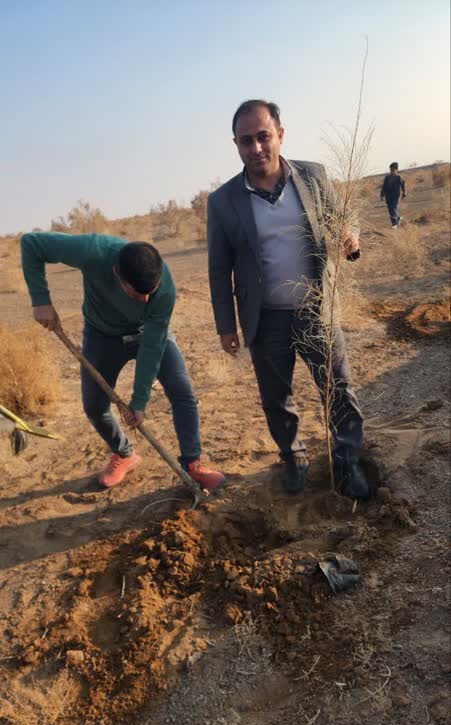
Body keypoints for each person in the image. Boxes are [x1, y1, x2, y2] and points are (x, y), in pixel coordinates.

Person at [207, 99, 369, 499]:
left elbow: (341, 215)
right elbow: (218, 268)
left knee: (338, 390)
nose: (256, 148)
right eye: (246, 141)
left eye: (263, 137)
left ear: (280, 134)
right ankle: (293, 457)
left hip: (317, 310)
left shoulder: (313, 176)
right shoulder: (223, 201)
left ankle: (347, 463)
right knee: (277, 399)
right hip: (265, 319)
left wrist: (349, 235)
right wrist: (226, 326)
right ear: (236, 144)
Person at [21, 232, 225, 490]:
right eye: (136, 294)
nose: (145, 300)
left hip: (146, 333)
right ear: (117, 273)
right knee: (94, 406)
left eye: (150, 292)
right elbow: (31, 243)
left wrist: (139, 401)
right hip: (101, 334)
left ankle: (193, 464)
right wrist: (41, 301)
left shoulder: (165, 289)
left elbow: (152, 345)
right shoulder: (92, 251)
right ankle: (124, 454)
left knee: (182, 390)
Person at [380, 162, 406, 228]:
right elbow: (384, 186)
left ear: (396, 170)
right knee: (390, 210)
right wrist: (382, 195)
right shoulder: (387, 177)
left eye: (393, 170)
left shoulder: (398, 177)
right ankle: (397, 219)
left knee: (393, 208)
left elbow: (403, 185)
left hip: (396, 196)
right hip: (388, 196)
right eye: (390, 170)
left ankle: (395, 224)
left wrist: (404, 193)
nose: (391, 171)